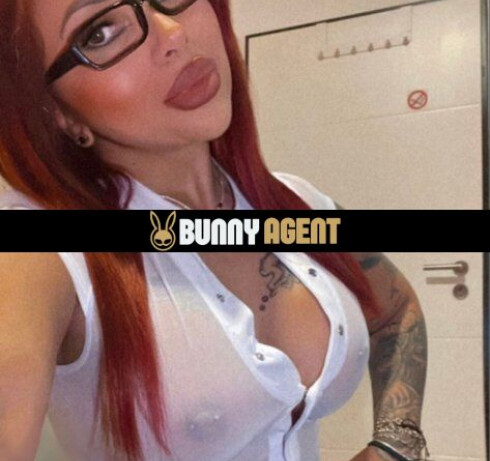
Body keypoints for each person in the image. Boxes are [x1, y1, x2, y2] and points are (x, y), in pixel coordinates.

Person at [0, 0, 429, 460]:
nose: (173, 33)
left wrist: (395, 443)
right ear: (56, 112)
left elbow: (396, 310)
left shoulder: (297, 203)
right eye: (100, 32)